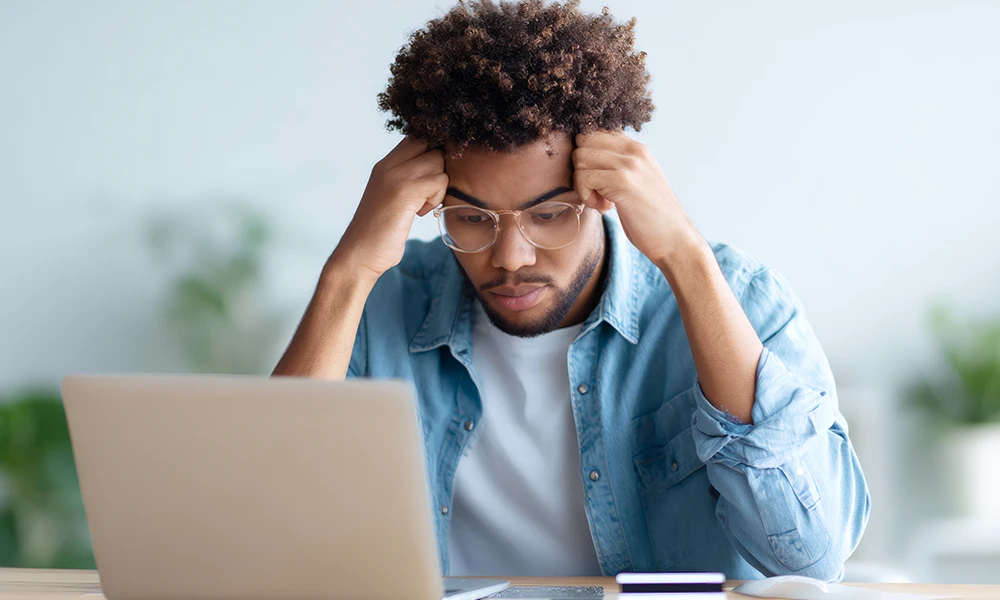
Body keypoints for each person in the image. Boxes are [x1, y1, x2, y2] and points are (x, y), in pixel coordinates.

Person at [273, 0, 869, 581]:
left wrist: (684, 256)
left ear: (604, 193)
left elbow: (810, 558)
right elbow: (268, 528)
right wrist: (347, 270)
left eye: (550, 214)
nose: (510, 258)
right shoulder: (380, 302)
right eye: (472, 218)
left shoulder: (740, 298)